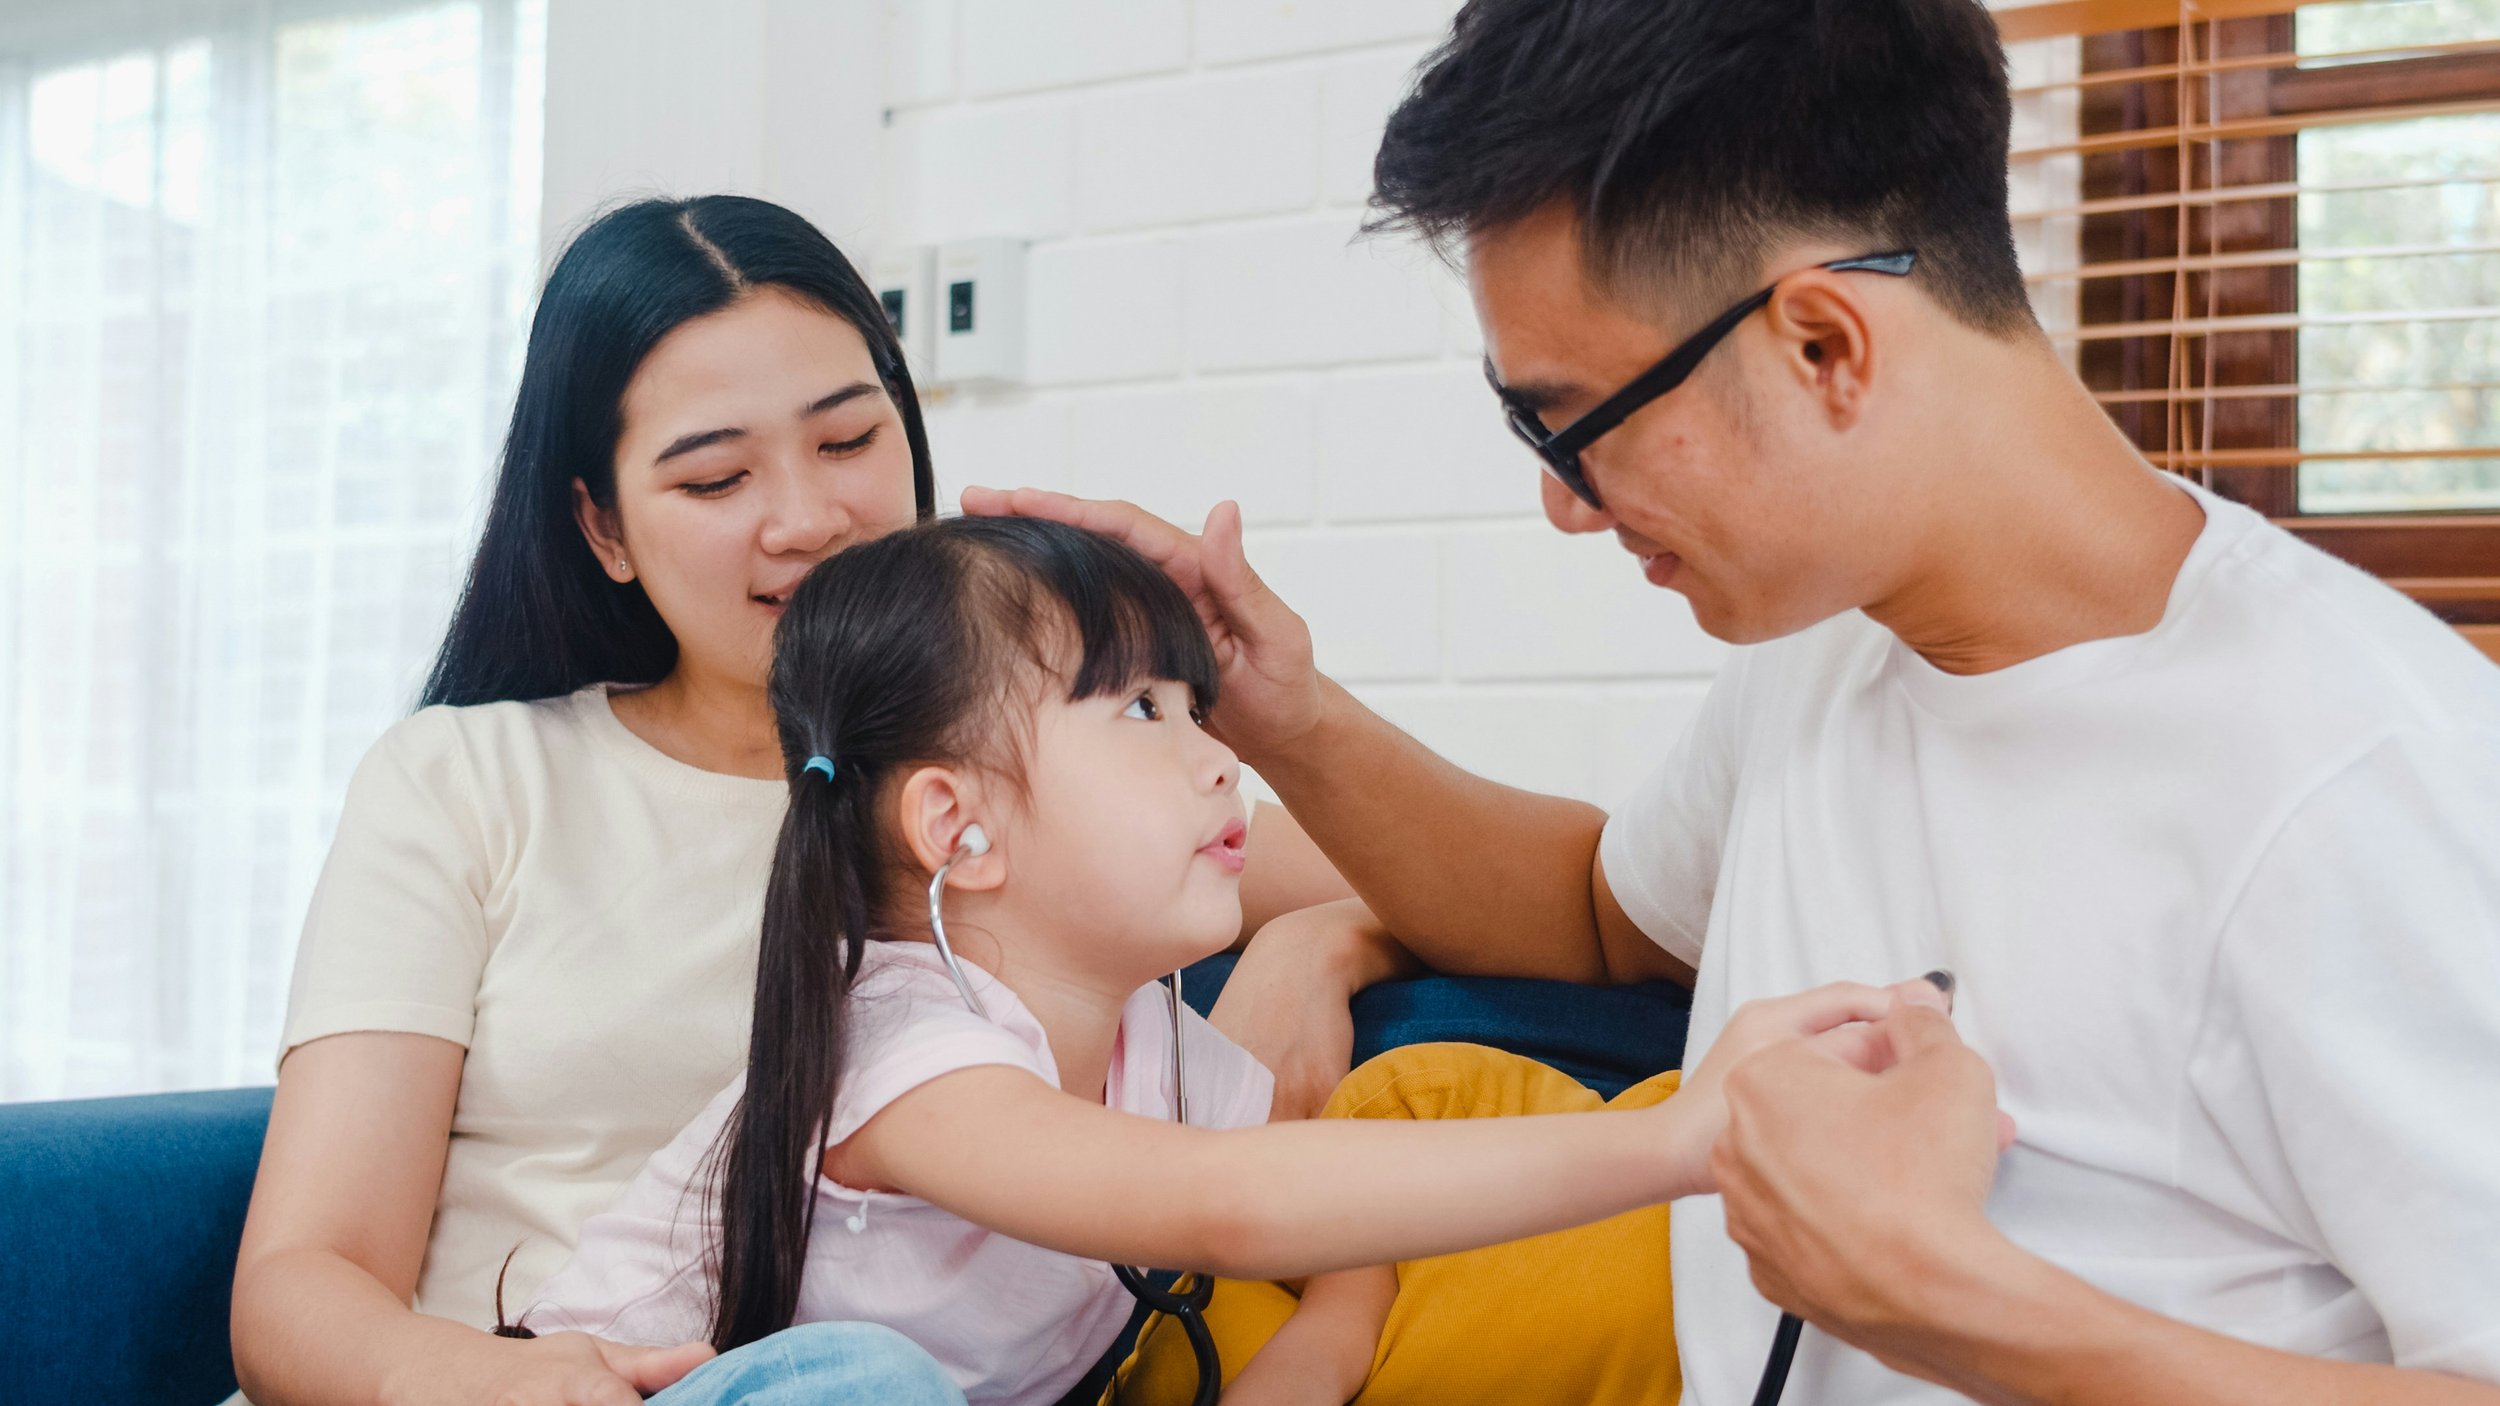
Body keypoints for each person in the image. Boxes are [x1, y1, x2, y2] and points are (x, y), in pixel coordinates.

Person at [967, 0, 2500, 1401]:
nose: (1569, 507)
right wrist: (1280, 710)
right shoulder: (1834, 646)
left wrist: (1951, 1302)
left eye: (1571, 426)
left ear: (1825, 343)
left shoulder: (2356, 778)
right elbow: (1590, 916)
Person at [227, 195, 1360, 1406]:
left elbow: (1411, 889)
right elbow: (303, 1279)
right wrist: (468, 1378)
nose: (810, 519)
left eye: (846, 441)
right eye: (717, 477)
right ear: (601, 526)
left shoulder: (1027, 800)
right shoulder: (467, 781)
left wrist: (1316, 945)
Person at [522, 514, 1938, 1405]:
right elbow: (1228, 1205)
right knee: (863, 1382)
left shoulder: (1158, 1046)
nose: (1218, 763)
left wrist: (1317, 1355)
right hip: (651, 1388)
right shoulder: (907, 1050)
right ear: (958, 825)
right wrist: (1689, 1137)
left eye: (1198, 706)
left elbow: (1337, 1213)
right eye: (1141, 711)